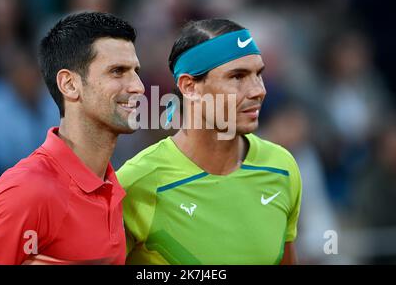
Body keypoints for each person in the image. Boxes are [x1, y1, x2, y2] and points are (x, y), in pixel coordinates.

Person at [0, 12, 144, 265]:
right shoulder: (27, 190)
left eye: (135, 71)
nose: (138, 86)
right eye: (117, 71)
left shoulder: (116, 188)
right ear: (69, 85)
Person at [117, 18, 302, 264]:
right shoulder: (135, 183)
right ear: (189, 87)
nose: (259, 90)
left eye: (259, 74)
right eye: (237, 76)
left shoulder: (282, 166)